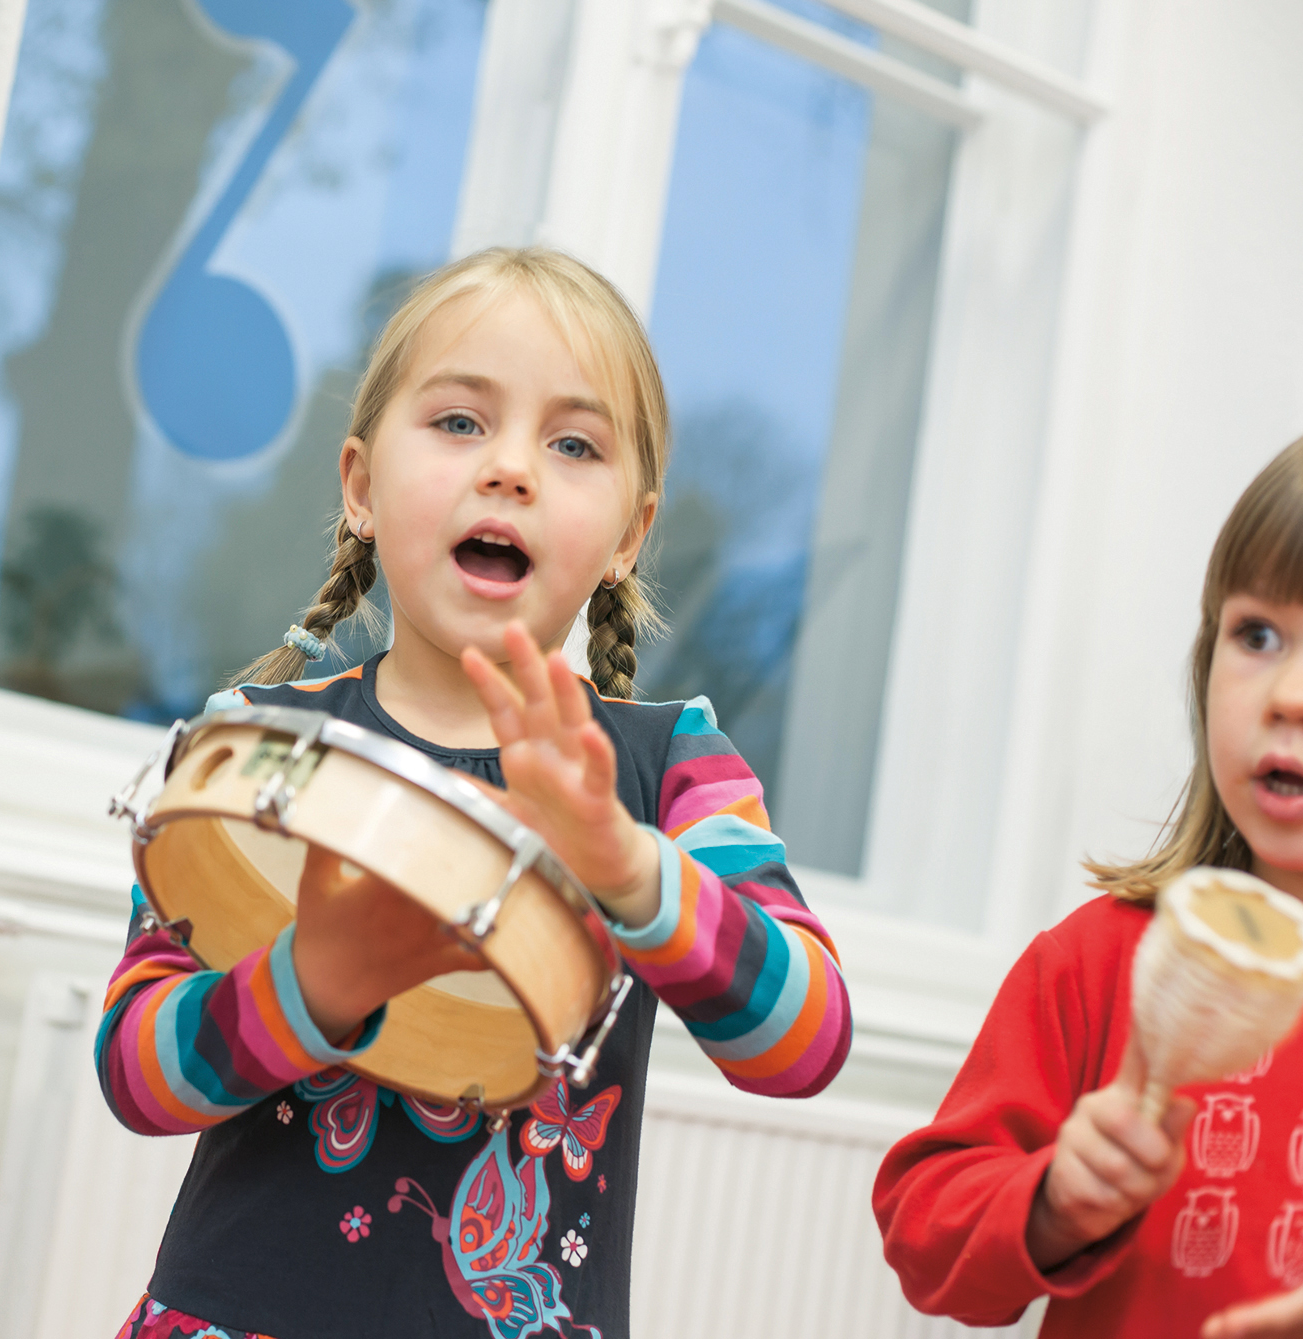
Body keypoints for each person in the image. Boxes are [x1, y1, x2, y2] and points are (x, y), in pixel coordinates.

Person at [95, 247, 852, 1339]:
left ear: (628, 539)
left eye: (573, 444)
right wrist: (317, 982)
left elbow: (807, 1039)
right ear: (358, 485)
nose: (510, 469)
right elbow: (133, 1069)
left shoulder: (670, 766)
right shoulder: (259, 740)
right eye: (459, 422)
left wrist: (627, 867)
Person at [875, 438, 1303, 1339]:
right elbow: (924, 1230)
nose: (1288, 694)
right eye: (1258, 635)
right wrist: (1054, 1202)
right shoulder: (1099, 957)